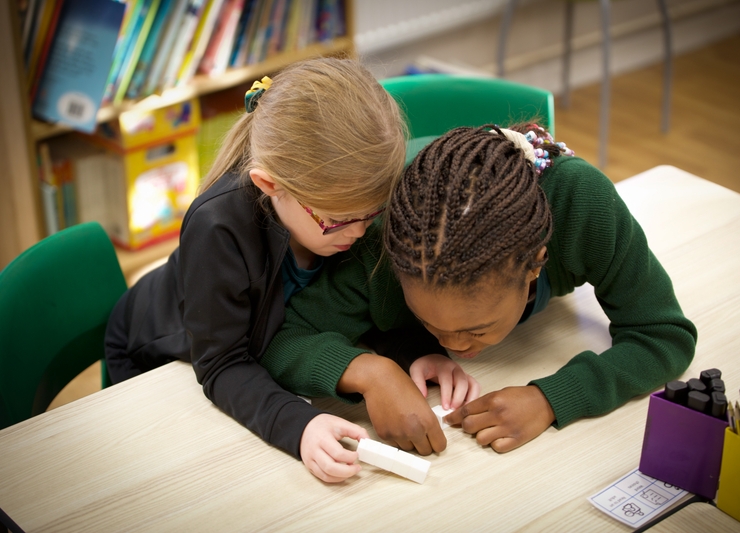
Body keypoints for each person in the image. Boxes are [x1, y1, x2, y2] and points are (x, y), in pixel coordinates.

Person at [103, 58, 475, 483]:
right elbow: (223, 362)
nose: (358, 232)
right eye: (338, 219)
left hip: (257, 351)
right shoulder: (217, 228)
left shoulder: (349, 205)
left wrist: (417, 350)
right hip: (155, 356)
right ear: (269, 185)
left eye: (370, 214)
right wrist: (299, 425)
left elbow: (365, 302)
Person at [259, 122, 697, 455]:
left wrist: (553, 397)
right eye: (428, 321)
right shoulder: (387, 237)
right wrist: (372, 373)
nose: (452, 344)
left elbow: (662, 333)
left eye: (477, 329)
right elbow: (281, 337)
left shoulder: (582, 203)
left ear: (535, 265)